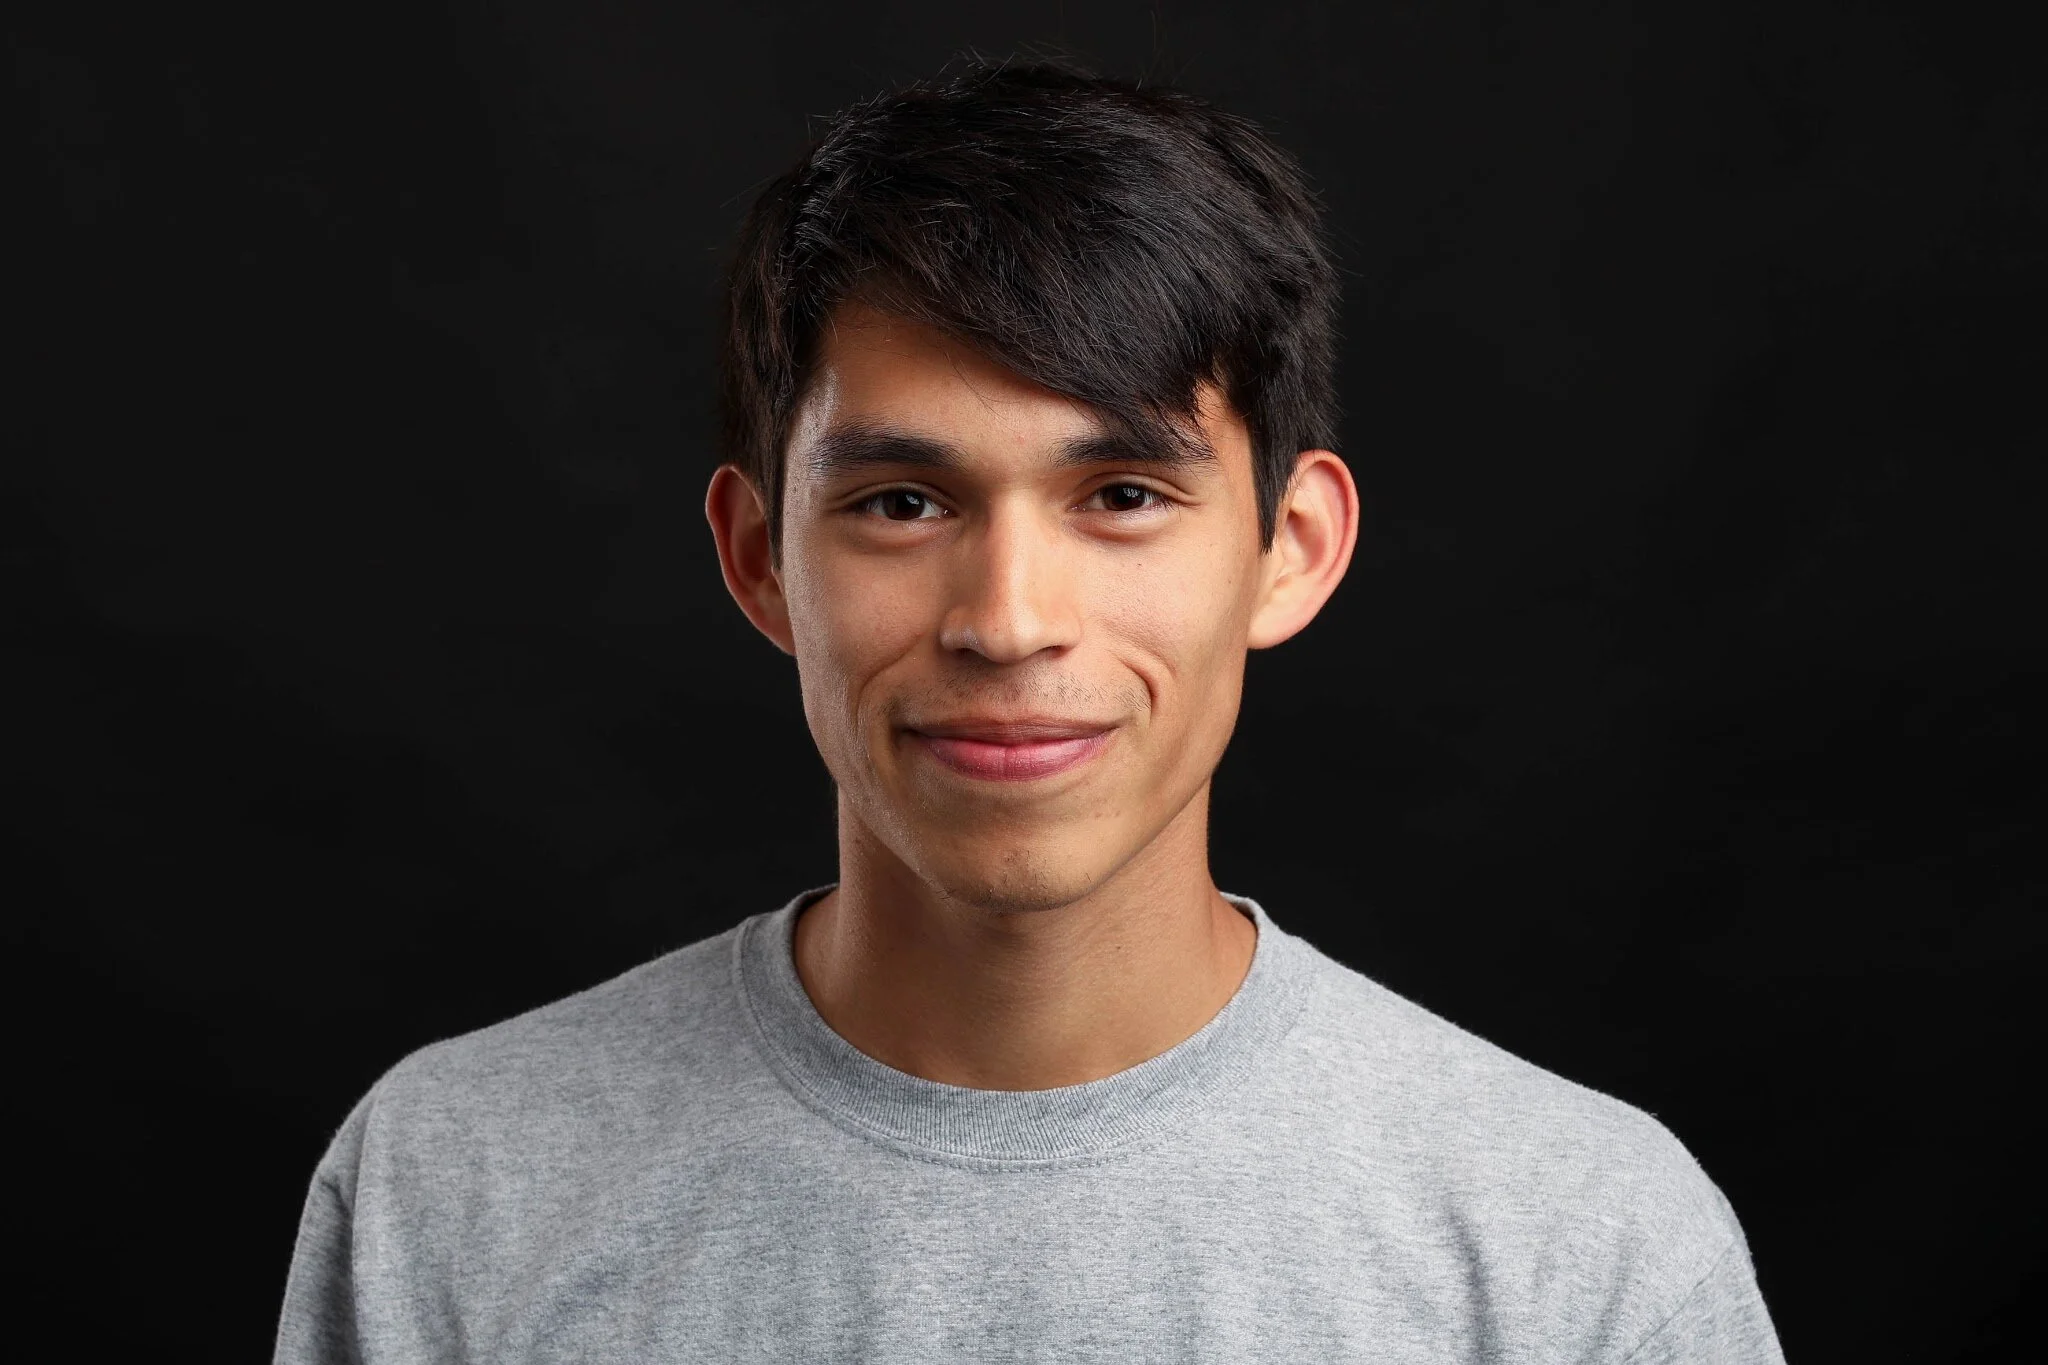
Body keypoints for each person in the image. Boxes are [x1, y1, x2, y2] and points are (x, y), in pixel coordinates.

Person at [272, 61, 1783, 1363]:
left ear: (1290, 548)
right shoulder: (453, 1185)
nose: (1007, 621)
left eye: (1122, 495)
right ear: (761, 560)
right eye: (902, 501)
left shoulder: (1578, 1242)